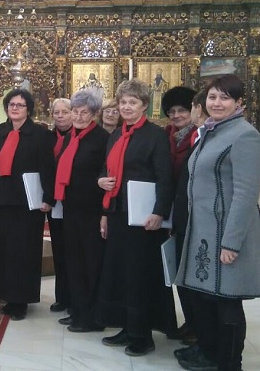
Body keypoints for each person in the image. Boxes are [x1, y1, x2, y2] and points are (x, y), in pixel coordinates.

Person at [175, 75, 260, 371]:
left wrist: (232, 242)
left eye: (225, 98)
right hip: (203, 233)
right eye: (212, 97)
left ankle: (229, 362)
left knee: (227, 300)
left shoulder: (244, 135)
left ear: (239, 103)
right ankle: (209, 352)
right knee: (206, 299)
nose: (217, 103)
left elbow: (247, 194)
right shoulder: (211, 131)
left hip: (226, 234)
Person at [96, 79, 176, 356]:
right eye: (123, 102)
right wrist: (103, 191)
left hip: (144, 219)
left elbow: (165, 177)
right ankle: (127, 326)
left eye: (132, 102)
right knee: (120, 273)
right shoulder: (116, 136)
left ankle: (143, 335)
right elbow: (108, 172)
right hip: (118, 214)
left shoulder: (155, 135)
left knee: (139, 276)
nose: (126, 107)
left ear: (144, 105)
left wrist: (159, 212)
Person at [0, 88, 55, 320]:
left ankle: (20, 300)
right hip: (1, 200)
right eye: (11, 104)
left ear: (29, 109)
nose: (15, 108)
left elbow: (48, 168)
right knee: (3, 251)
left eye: (20, 105)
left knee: (23, 252)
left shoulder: (40, 135)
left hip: (27, 203)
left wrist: (48, 198)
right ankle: (7, 294)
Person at [53, 91, 109, 332]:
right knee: (73, 262)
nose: (77, 116)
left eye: (83, 112)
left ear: (94, 113)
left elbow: (106, 171)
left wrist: (98, 183)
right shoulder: (70, 137)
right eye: (75, 111)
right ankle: (77, 309)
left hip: (92, 210)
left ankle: (92, 316)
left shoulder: (102, 138)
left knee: (90, 263)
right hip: (71, 208)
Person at [170, 89, 207, 351]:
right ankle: (191, 321)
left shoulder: (198, 136)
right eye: (172, 112)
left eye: (182, 110)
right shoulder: (171, 137)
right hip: (177, 211)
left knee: (194, 272)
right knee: (180, 272)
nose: (177, 115)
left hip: (196, 213)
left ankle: (199, 327)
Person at [48, 98, 72, 315]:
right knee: (59, 250)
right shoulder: (47, 137)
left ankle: (74, 297)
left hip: (73, 201)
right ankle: (61, 296)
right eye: (57, 112)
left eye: (65, 111)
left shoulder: (78, 136)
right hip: (54, 201)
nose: (61, 116)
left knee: (73, 250)